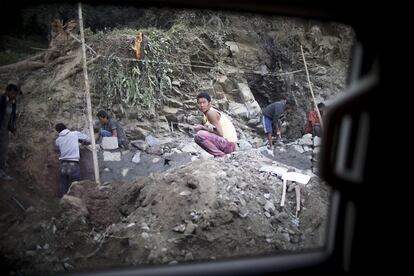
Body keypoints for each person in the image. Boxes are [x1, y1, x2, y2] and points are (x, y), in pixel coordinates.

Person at [194, 92, 238, 157]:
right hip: (227, 144)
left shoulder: (211, 113)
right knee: (199, 135)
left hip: (230, 145)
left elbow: (220, 133)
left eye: (204, 102)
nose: (202, 105)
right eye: (199, 103)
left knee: (199, 135)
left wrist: (202, 127)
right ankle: (221, 155)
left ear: (209, 103)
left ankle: (222, 156)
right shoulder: (205, 116)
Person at [55, 123, 90, 197]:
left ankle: (64, 201)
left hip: (63, 164)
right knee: (76, 184)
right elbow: (87, 138)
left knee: (63, 183)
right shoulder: (74, 134)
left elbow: (58, 146)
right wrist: (82, 143)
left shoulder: (58, 140)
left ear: (58, 131)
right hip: (73, 164)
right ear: (66, 127)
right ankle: (76, 201)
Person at [0, 83, 20, 180]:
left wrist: (13, 128)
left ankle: (2, 171)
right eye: (13, 93)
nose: (14, 95)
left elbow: (12, 117)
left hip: (4, 131)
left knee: (3, 150)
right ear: (7, 91)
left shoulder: (13, 102)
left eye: (15, 94)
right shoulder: (1, 99)